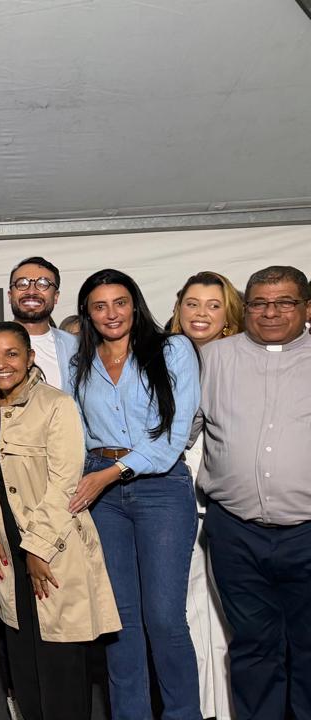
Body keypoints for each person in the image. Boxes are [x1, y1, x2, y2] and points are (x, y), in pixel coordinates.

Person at [67, 269, 201, 720]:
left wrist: (112, 473)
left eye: (120, 302)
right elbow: (77, 432)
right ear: (87, 312)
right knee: (118, 622)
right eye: (99, 305)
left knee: (164, 619)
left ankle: (182, 714)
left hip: (160, 489)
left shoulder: (173, 350)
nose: (111, 313)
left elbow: (174, 436)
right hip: (101, 490)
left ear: (135, 304)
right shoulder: (79, 362)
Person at [0, 322, 120, 720]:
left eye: (11, 354)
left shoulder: (56, 405)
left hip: (52, 549)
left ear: (30, 358)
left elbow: (65, 485)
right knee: (23, 667)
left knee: (60, 665)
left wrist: (36, 550)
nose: (1, 363)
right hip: (6, 555)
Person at [196, 265, 311, 720]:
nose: (270, 312)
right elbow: (182, 428)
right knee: (253, 647)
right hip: (235, 532)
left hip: (307, 532)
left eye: (284, 302)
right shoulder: (214, 358)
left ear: (306, 308)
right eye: (260, 302)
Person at [167, 271, 244, 720]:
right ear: (178, 308)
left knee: (228, 617)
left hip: (226, 506)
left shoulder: (239, 359)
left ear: (229, 313)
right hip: (174, 504)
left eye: (213, 305)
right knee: (187, 614)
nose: (201, 313)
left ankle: (233, 708)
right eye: (192, 303)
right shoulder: (159, 357)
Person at [5, 257, 78, 390]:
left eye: (43, 284)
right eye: (22, 284)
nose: (31, 291)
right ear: (10, 296)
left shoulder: (76, 347)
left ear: (56, 297)